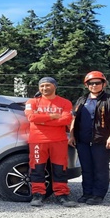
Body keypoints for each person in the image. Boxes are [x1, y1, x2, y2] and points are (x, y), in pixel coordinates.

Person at [68, 71, 110, 205]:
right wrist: (72, 135)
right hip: (83, 140)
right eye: (91, 83)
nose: (94, 85)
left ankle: (98, 194)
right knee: (86, 168)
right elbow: (74, 118)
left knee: (100, 168)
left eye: (97, 83)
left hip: (102, 140)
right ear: (86, 85)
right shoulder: (82, 100)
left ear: (103, 84)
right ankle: (87, 193)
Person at [24, 77, 76, 207]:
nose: (44, 88)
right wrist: (52, 117)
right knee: (37, 168)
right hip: (37, 141)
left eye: (47, 85)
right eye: (42, 86)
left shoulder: (65, 102)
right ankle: (38, 195)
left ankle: (62, 195)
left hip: (58, 141)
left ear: (54, 86)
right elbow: (31, 117)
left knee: (60, 169)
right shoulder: (32, 101)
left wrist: (42, 121)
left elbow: (65, 120)